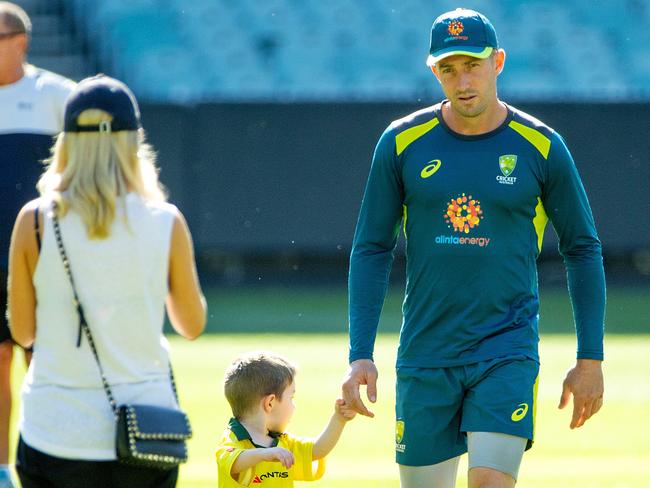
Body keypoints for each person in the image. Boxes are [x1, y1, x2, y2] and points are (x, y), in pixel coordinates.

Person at [342, 8, 605, 488]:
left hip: (506, 348)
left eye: (472, 65)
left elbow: (582, 249)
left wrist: (590, 359)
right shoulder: (400, 143)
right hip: (426, 353)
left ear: (498, 61)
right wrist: (360, 352)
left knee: (489, 481)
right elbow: (371, 248)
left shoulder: (542, 146)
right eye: (448, 68)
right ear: (433, 71)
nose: (462, 81)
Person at [7, 75, 206, 487]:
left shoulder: (35, 221)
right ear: (133, 144)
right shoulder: (166, 222)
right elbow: (192, 324)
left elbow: (23, 332)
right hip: (144, 432)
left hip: (55, 434)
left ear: (67, 143)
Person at [0, 2, 75, 485]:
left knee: (44, 362)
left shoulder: (57, 96)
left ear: (20, 41)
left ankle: (50, 463)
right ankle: (3, 470)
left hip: (44, 255)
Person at [216, 352, 356, 487]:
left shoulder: (282, 442)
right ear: (270, 403)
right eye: (291, 398)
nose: (294, 406)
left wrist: (339, 420)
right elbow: (234, 462)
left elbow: (316, 450)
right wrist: (265, 454)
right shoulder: (233, 439)